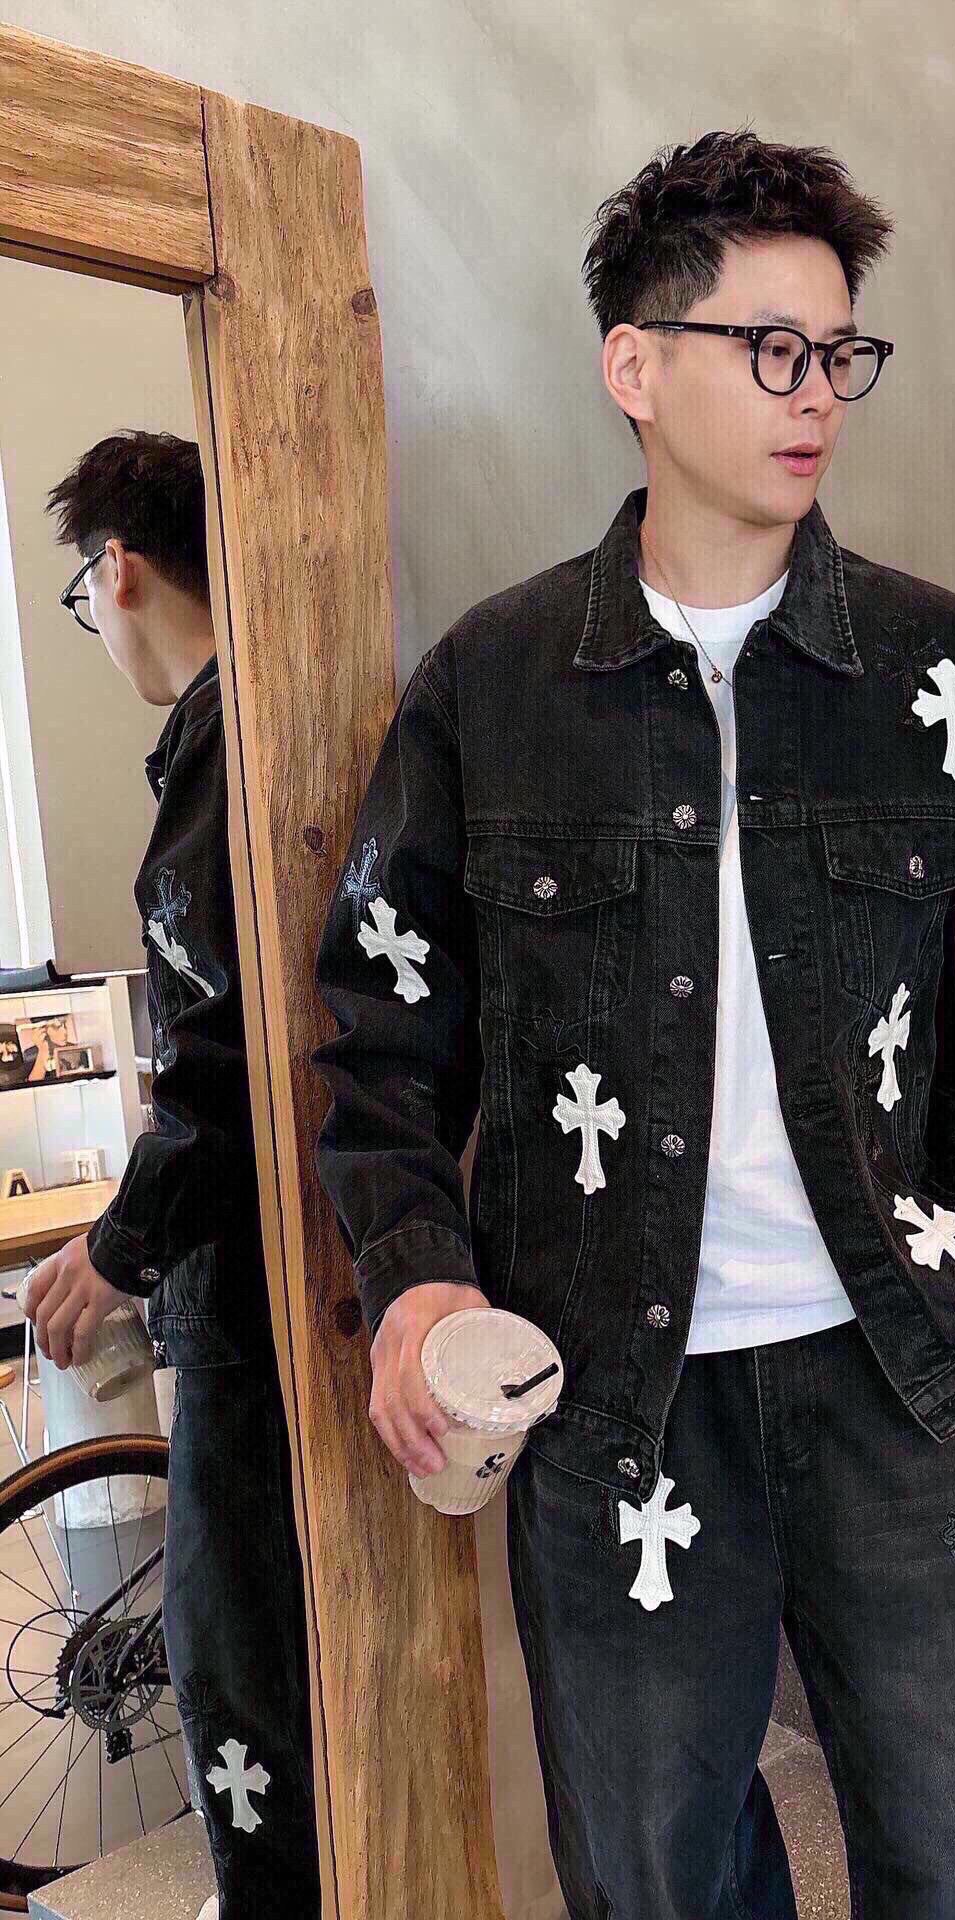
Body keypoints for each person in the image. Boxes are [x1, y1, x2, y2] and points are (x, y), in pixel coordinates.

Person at [312, 128, 955, 1919]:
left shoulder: (946, 674)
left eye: (841, 353)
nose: (816, 394)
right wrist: (413, 1278)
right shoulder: (495, 689)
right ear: (635, 366)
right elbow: (381, 1032)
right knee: (658, 1881)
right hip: (611, 1400)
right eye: (771, 347)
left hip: (895, 1366)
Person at [29, 431, 321, 1920]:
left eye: (83, 593)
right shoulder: (265, 723)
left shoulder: (221, 744)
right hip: (293, 1275)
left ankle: (270, 1899)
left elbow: (224, 1060)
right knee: (257, 1631)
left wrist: (115, 1249)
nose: (94, 622)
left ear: (121, 567)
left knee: (239, 1650)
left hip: (251, 1302)